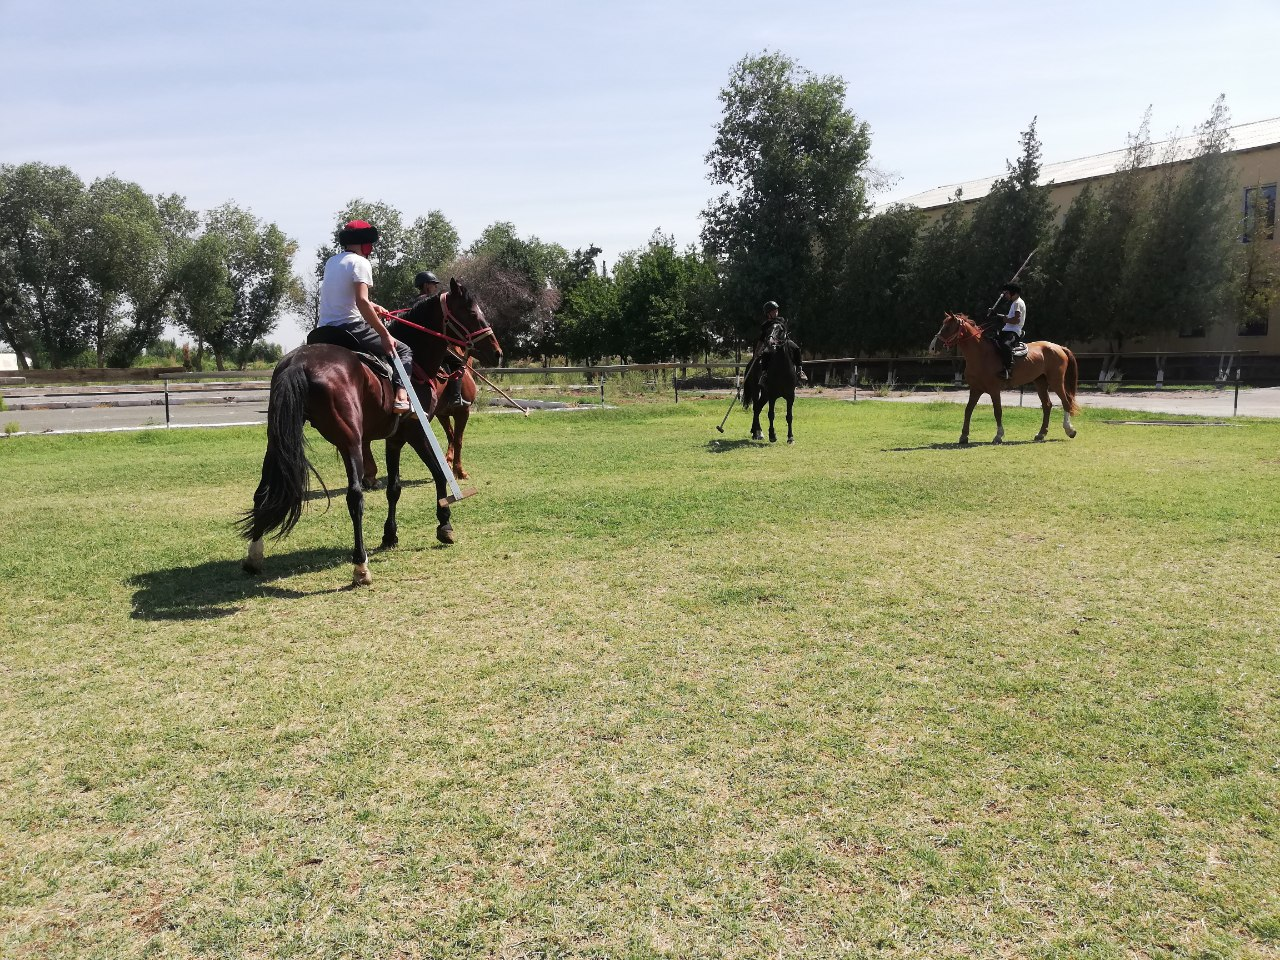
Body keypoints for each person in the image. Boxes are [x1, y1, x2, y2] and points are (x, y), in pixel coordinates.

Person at [318, 220, 413, 413]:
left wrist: (374, 306)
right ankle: (402, 397)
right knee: (403, 350)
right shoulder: (361, 262)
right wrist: (385, 334)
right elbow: (361, 301)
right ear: (365, 242)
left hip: (324, 330)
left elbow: (346, 297)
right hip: (350, 328)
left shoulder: (331, 262)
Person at [410, 270, 469, 409]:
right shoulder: (429, 303)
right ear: (426, 286)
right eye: (433, 284)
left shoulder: (413, 302)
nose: (435, 287)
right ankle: (455, 397)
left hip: (414, 345)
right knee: (458, 362)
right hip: (428, 346)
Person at [751, 301, 805, 383]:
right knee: (765, 353)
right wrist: (757, 351)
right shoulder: (765, 325)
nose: (776, 312)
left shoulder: (781, 320)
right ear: (768, 313)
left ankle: (799, 370)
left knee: (797, 348)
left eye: (776, 310)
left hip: (785, 341)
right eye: (773, 311)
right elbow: (761, 339)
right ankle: (764, 374)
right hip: (772, 343)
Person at [988, 282, 1027, 380]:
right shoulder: (1014, 303)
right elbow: (1009, 317)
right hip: (1006, 330)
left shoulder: (1018, 303)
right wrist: (996, 315)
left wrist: (1003, 319)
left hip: (1014, 331)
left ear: (1013, 293)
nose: (1005, 295)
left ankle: (1008, 369)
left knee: (1005, 345)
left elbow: (1016, 320)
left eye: (1006, 293)